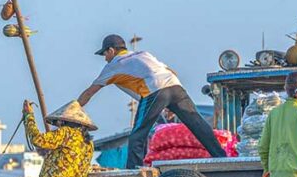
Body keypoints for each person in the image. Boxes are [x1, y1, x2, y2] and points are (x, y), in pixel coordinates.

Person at [77, 34, 227, 169]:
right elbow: (171, 71)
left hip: (154, 91)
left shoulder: (113, 65)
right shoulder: (143, 54)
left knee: (137, 134)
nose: (105, 58)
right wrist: (170, 104)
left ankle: (133, 171)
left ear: (111, 50)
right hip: (175, 85)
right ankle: (221, 157)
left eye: (105, 54)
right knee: (197, 123)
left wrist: (74, 109)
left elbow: (90, 91)